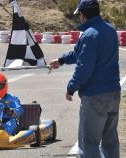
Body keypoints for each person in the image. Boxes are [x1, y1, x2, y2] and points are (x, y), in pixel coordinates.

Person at [49, 0, 121, 158]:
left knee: (89, 143)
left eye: (79, 15)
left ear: (83, 15)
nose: (79, 18)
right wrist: (61, 60)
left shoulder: (89, 35)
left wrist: (71, 88)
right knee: (110, 141)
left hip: (95, 96)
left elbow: (84, 68)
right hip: (114, 93)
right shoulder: (110, 30)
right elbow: (80, 54)